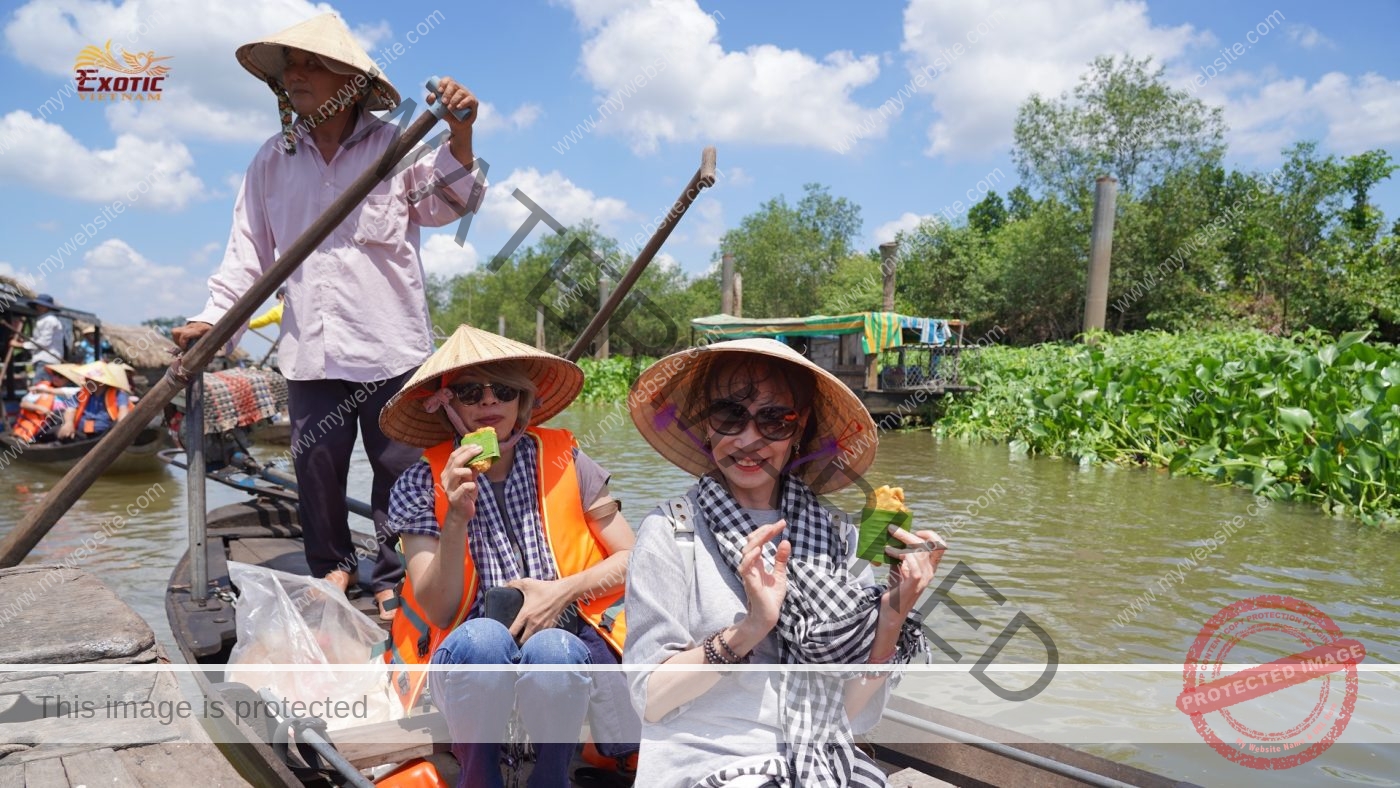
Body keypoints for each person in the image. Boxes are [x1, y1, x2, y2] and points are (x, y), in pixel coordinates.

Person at [171, 13, 486, 618]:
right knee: (315, 466)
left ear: (351, 82)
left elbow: (451, 203)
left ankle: (398, 575)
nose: (296, 75)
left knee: (401, 468)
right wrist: (214, 322)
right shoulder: (271, 161)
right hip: (311, 351)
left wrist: (462, 136)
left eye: (311, 64)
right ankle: (333, 567)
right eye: (291, 66)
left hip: (391, 346)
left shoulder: (396, 148)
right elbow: (247, 258)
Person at [623, 339, 947, 787]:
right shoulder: (671, 531)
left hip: (819, 761)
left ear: (800, 430)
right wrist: (750, 628)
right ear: (706, 425)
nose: (750, 438)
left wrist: (892, 614)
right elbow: (649, 699)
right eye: (730, 415)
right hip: (703, 765)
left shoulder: (838, 537)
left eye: (776, 419)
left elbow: (852, 715)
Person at [379, 324, 639, 788]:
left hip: (562, 642)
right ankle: (479, 779)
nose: (488, 402)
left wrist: (561, 593)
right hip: (465, 655)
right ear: (447, 405)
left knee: (553, 651)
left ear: (522, 401)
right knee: (484, 639)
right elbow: (438, 607)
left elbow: (633, 560)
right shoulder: (420, 484)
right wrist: (456, 516)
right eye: (468, 392)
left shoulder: (567, 461)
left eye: (502, 390)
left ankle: (551, 779)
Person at [58, 361, 135, 440]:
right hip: (81, 433)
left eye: (89, 379)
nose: (86, 380)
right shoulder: (82, 393)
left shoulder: (118, 394)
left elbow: (123, 410)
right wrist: (68, 423)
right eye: (86, 378)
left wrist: (120, 429)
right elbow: (70, 409)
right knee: (59, 432)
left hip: (105, 433)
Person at [10, 368, 77, 443]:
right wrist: (41, 408)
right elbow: (23, 404)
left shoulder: (72, 393)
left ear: (68, 380)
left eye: (60, 376)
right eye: (54, 374)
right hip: (41, 428)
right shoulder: (43, 387)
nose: (56, 378)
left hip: (59, 425)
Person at [12, 294, 65, 378]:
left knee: (39, 387)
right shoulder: (43, 319)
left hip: (47, 359)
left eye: (42, 305)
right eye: (38, 305)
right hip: (44, 359)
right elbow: (39, 339)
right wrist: (25, 342)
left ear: (47, 307)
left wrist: (21, 345)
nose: (39, 307)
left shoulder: (49, 320)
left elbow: (43, 342)